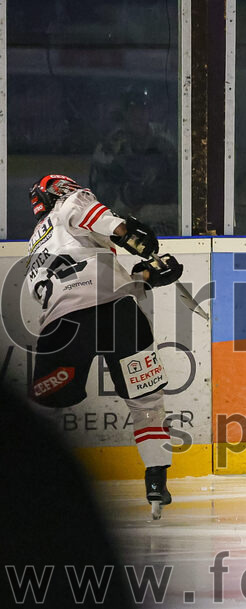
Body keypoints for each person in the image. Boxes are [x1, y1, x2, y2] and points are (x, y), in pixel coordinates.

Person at [24, 174, 183, 519]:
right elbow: (99, 220)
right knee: (146, 400)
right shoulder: (71, 201)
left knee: (44, 408)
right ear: (60, 191)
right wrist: (130, 237)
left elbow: (76, 286)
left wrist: (143, 277)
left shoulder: (36, 243)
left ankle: (28, 486)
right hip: (117, 313)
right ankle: (156, 479)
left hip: (60, 326)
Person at [90, 87, 178, 234]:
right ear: (124, 114)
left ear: (149, 112)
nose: (138, 116)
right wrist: (126, 193)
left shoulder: (165, 142)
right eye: (132, 111)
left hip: (158, 212)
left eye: (142, 110)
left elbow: (180, 184)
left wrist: (157, 192)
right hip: (123, 214)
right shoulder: (109, 146)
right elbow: (98, 191)